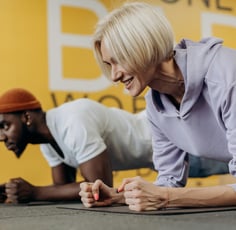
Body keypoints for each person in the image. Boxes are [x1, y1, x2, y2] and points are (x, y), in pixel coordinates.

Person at [79, 1, 236, 211]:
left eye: (119, 61)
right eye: (109, 64)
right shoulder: (155, 106)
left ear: (144, 46)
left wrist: (166, 196)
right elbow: (168, 182)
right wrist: (120, 196)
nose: (114, 75)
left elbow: (167, 194)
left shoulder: (226, 76)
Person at [0, 88, 227, 203]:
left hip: (176, 143)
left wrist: (35, 192)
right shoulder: (47, 143)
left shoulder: (72, 120)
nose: (1, 137)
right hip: (162, 160)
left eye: (4, 126)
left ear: (27, 118)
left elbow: (99, 186)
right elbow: (64, 190)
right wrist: (19, 193)